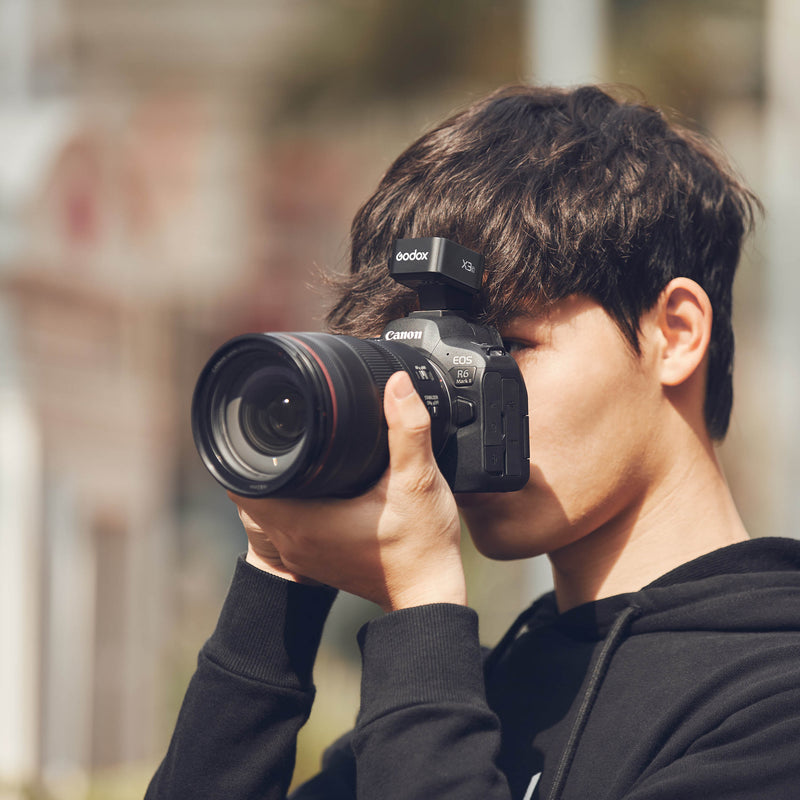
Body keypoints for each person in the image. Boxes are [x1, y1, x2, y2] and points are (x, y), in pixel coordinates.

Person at [146, 85, 800, 800]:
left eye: (505, 346)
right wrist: (277, 590)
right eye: (421, 355)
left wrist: (423, 602)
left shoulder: (772, 699)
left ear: (674, 333)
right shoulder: (461, 706)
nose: (450, 409)